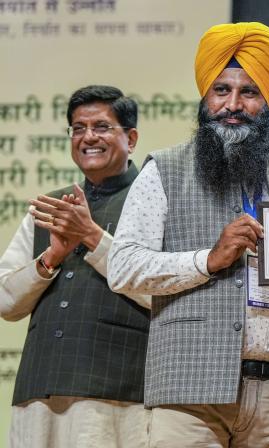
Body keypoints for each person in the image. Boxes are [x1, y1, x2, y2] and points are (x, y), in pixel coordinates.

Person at [107, 22, 269, 447]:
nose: (232, 104)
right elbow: (122, 268)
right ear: (205, 96)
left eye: (248, 92)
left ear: (267, 100)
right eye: (221, 90)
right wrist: (207, 260)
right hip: (188, 393)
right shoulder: (165, 168)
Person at [0, 85, 149, 447]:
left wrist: (92, 237)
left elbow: (164, 290)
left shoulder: (153, 198)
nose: (88, 137)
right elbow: (5, 301)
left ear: (130, 138)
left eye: (101, 127)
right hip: (39, 393)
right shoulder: (50, 207)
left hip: (116, 396)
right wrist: (50, 259)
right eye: (78, 128)